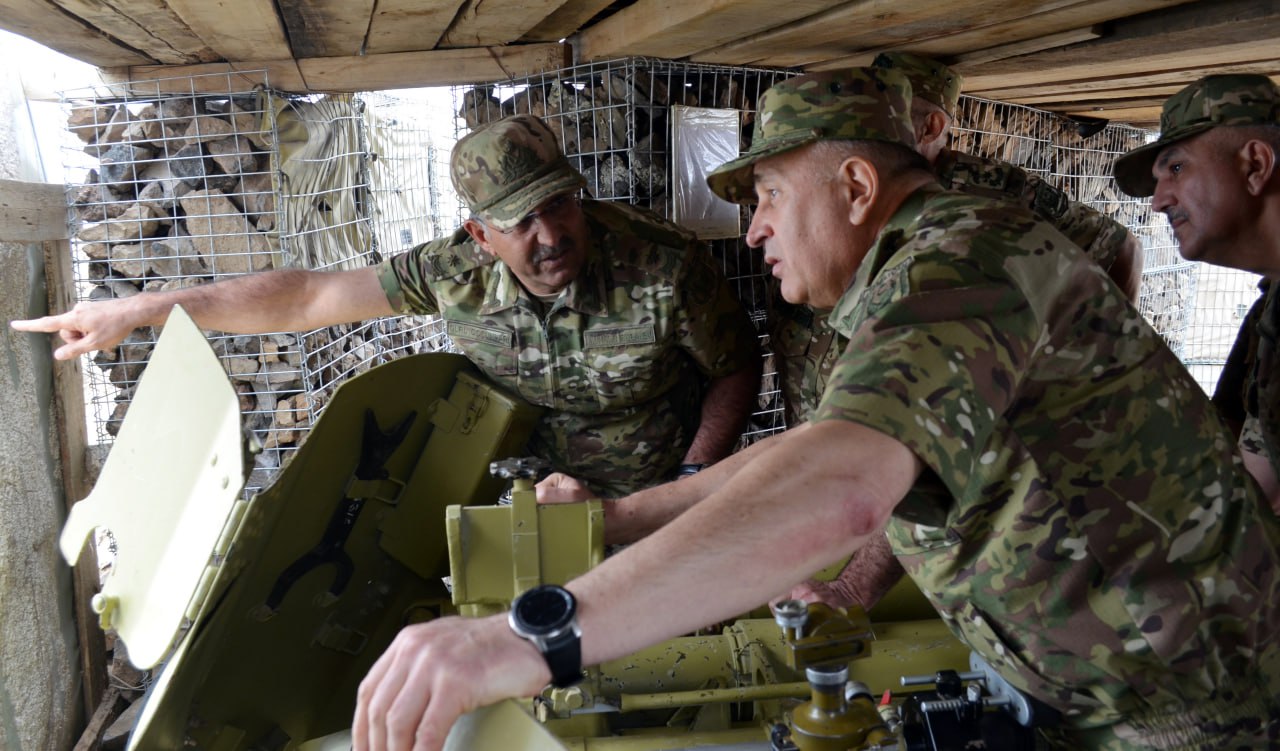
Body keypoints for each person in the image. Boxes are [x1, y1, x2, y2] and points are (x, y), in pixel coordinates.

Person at [351, 68, 1280, 751]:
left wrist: (531, 639)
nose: (752, 228)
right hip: (1111, 685)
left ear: (858, 188)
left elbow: (839, 491)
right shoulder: (907, 277)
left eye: (768, 196)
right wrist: (618, 520)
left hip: (1196, 700)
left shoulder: (966, 262)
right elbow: (807, 448)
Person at [11, 114, 761, 497]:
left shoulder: (663, 265)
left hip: (662, 481)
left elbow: (735, 367)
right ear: (479, 234)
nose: (553, 234)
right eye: (522, 221)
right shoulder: (451, 272)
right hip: (532, 488)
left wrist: (691, 482)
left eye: (561, 204)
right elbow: (306, 298)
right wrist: (143, 308)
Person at [767, 51, 1148, 611]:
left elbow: (1118, 245)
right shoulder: (845, 221)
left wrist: (1092, 347)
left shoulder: (969, 223)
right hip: (844, 435)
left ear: (930, 127)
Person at [1113, 73, 1280, 513]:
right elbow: (1255, 491)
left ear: (1255, 165)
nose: (1158, 200)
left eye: (1177, 168)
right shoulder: (1270, 314)